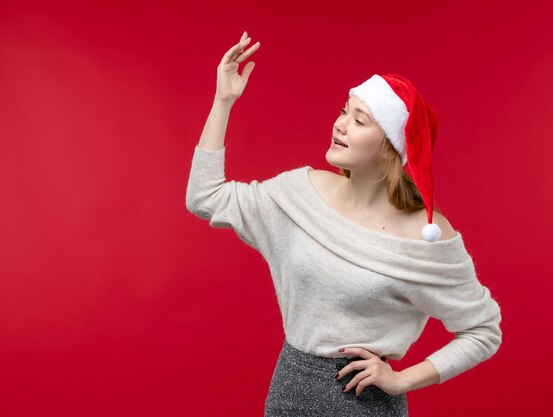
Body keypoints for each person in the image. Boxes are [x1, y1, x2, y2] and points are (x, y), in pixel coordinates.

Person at [185, 31, 503, 417]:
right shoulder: (300, 194)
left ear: (390, 148)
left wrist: (402, 379)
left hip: (366, 403)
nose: (340, 125)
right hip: (290, 390)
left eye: (360, 119)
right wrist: (223, 100)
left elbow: (483, 331)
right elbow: (205, 198)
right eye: (343, 111)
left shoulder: (426, 236)